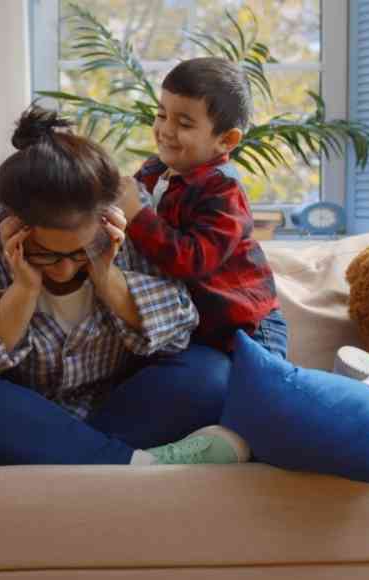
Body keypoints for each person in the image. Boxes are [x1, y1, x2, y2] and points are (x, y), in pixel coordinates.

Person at [0, 107, 251, 466]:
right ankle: (140, 465)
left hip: (120, 404)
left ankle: (79, 457)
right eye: (45, 255)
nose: (63, 270)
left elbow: (177, 334)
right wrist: (24, 288)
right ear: (13, 225)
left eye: (80, 253)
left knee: (212, 374)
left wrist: (104, 274)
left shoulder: (130, 210)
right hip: (20, 409)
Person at [117, 57, 288, 360]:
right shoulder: (152, 172)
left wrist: (138, 216)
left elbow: (192, 259)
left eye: (184, 123)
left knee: (265, 399)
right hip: (196, 328)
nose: (165, 130)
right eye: (161, 114)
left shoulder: (223, 190)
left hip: (247, 328)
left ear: (226, 139)